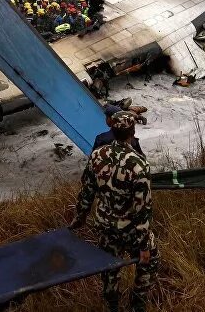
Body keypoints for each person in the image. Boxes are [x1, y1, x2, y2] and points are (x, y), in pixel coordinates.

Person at [70, 111, 158, 312]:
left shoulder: (97, 155)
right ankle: (138, 304)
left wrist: (80, 217)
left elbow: (87, 192)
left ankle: (112, 305)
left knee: (110, 267)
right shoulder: (139, 165)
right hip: (130, 230)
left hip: (105, 226)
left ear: (112, 129)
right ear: (133, 131)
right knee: (150, 260)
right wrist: (144, 245)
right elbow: (143, 210)